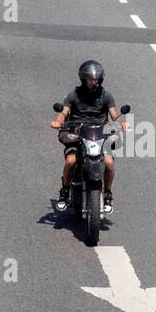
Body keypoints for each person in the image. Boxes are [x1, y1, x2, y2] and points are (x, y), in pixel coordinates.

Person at [49, 59, 128, 214]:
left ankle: (107, 194)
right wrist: (58, 122)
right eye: (90, 79)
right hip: (77, 132)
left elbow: (114, 115)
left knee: (109, 162)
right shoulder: (73, 95)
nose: (94, 81)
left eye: (96, 79)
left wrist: (122, 123)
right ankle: (64, 191)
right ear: (83, 79)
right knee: (70, 161)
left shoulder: (106, 96)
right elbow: (64, 113)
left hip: (100, 132)